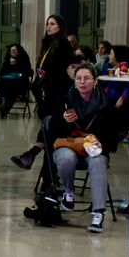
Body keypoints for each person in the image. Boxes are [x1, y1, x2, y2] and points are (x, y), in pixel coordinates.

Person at [48, 62, 119, 234]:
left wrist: (102, 144)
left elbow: (114, 136)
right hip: (69, 145)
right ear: (74, 82)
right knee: (66, 158)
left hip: (94, 148)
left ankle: (98, 212)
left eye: (87, 78)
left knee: (97, 162)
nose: (82, 82)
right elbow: (51, 131)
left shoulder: (106, 104)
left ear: (95, 81)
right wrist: (63, 119)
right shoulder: (64, 101)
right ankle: (69, 191)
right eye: (78, 78)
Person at [11, 15, 76, 169]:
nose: (49, 26)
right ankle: (31, 154)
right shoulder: (48, 43)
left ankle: (33, 154)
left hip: (58, 91)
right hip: (47, 91)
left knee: (51, 126)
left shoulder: (63, 44)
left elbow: (60, 69)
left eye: (52, 24)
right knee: (48, 126)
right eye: (47, 24)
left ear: (60, 26)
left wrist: (43, 80)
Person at [0, 43, 32, 118]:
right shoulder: (8, 59)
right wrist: (10, 65)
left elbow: (28, 72)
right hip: (8, 83)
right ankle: (2, 106)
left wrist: (17, 64)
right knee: (4, 84)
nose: (13, 52)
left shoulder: (24, 58)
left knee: (12, 89)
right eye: (11, 50)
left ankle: (6, 108)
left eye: (15, 50)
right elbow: (2, 73)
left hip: (20, 83)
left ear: (19, 50)